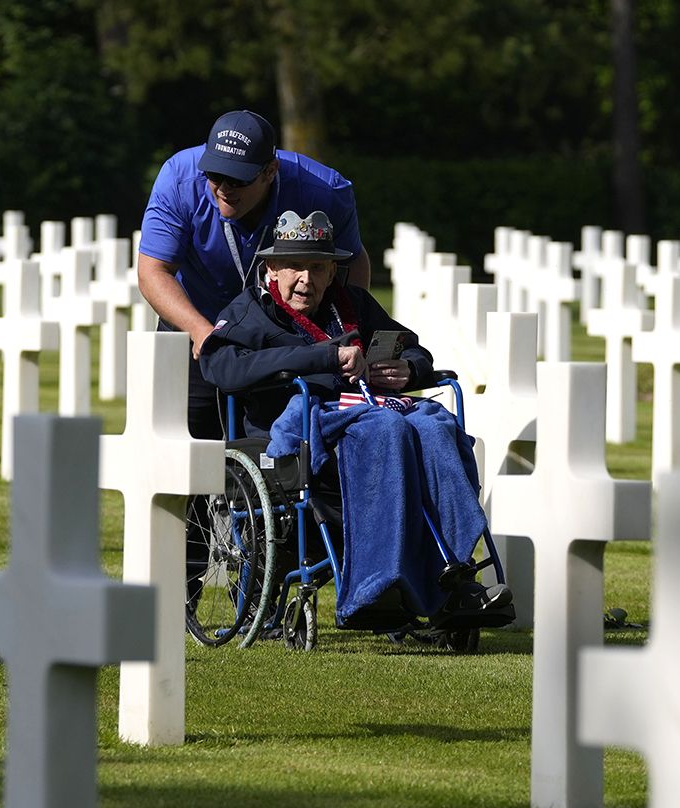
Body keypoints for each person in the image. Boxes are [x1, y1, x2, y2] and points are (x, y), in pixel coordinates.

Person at [198, 210, 511, 633]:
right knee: (387, 430)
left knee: (436, 427)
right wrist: (322, 357)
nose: (305, 280)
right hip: (297, 433)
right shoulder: (250, 312)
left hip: (370, 415)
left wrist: (408, 371)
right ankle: (376, 585)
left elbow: (416, 350)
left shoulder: (352, 305)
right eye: (294, 266)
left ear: (332, 272)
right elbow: (222, 369)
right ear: (271, 267)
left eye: (317, 267)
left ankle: (455, 576)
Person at [138, 110, 372, 440]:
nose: (223, 189)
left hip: (286, 334)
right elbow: (153, 271)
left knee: (284, 447)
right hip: (196, 322)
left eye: (238, 179)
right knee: (185, 453)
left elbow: (352, 261)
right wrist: (201, 331)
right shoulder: (178, 179)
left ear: (270, 171)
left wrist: (345, 331)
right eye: (214, 176)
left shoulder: (325, 191)